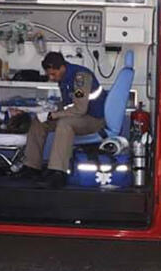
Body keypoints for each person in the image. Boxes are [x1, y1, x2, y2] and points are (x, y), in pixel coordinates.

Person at [16, 51, 107, 187]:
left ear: (62, 67)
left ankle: (58, 172)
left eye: (53, 74)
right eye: (49, 75)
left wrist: (54, 115)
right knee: (39, 121)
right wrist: (49, 111)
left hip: (93, 120)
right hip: (78, 117)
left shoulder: (80, 77)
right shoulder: (63, 78)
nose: (51, 78)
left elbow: (80, 109)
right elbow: (68, 104)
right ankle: (31, 167)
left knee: (65, 124)